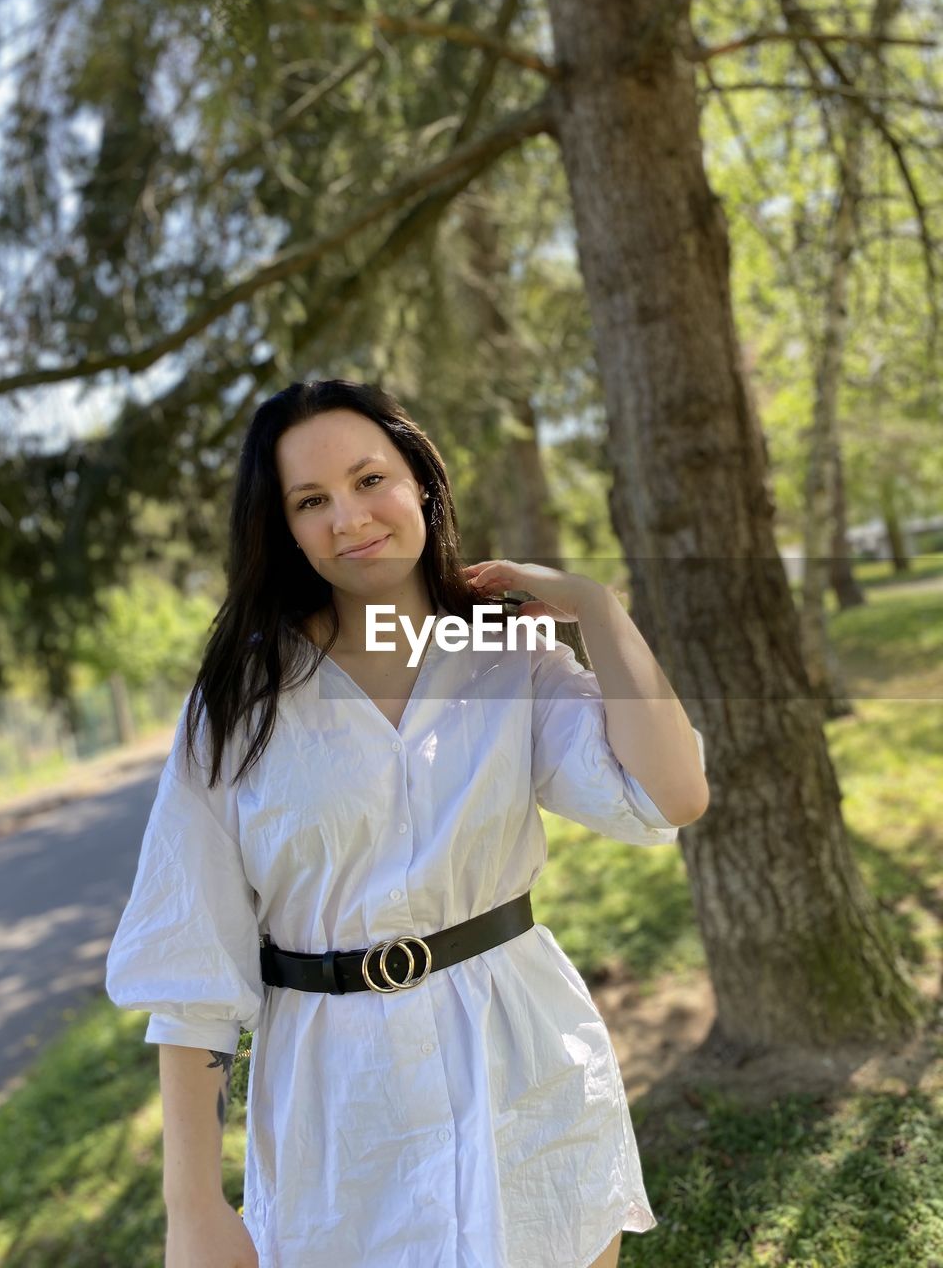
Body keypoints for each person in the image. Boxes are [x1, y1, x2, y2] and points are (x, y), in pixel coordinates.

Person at [105, 378, 708, 1268]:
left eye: (368, 479)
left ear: (420, 481)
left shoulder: (507, 656)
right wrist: (193, 1206)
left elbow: (670, 793)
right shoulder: (240, 703)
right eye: (311, 501)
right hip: (341, 1109)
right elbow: (191, 972)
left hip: (525, 1067)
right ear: (284, 529)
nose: (350, 519)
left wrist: (599, 612)